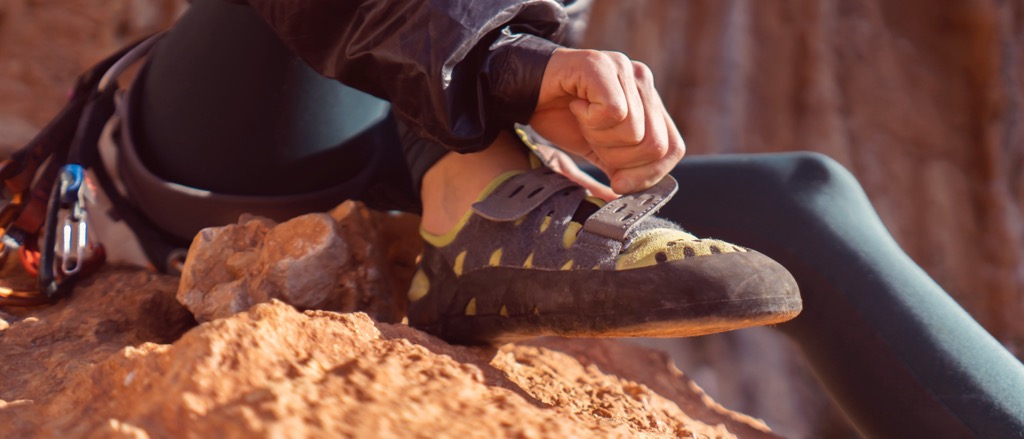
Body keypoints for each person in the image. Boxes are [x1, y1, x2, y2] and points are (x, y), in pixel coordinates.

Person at [70, 0, 1024, 437]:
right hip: (242, 128)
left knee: (804, 199)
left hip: (416, 139)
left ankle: (479, 207)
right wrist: (499, 64)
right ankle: (475, 202)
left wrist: (525, 80)